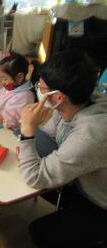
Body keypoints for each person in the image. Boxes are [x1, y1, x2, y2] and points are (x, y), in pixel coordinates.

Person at [18, 49, 107, 247]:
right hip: (81, 179)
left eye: (40, 87)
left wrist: (27, 132)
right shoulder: (76, 96)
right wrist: (30, 136)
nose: (37, 90)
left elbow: (34, 176)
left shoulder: (91, 134)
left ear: (58, 97)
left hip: (99, 203)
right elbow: (51, 131)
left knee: (40, 232)